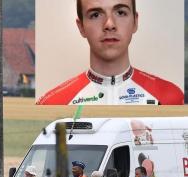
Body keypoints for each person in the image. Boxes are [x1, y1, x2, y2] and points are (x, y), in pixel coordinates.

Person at [37, 0, 183, 105]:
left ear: (135, 22)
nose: (109, 24)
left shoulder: (171, 98)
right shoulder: (51, 103)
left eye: (120, 12)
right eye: (95, 15)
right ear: (81, 26)